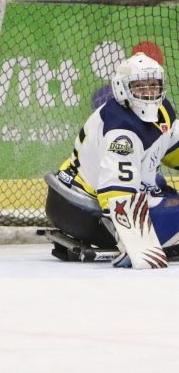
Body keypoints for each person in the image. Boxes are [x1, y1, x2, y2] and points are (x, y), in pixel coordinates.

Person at [46, 52, 179, 269]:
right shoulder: (120, 130)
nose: (148, 93)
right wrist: (134, 241)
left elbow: (171, 147)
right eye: (140, 86)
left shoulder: (163, 111)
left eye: (153, 85)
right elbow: (116, 192)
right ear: (122, 88)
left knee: (163, 190)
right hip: (85, 211)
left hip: (89, 200)